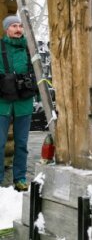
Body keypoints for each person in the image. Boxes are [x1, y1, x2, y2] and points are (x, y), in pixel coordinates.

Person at [0, 15, 37, 191]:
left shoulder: (29, 49)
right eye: (14, 26)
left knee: (21, 144)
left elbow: (38, 73)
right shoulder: (0, 47)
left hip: (24, 103)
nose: (18, 29)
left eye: (20, 26)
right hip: (2, 104)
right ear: (6, 29)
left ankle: (20, 178)